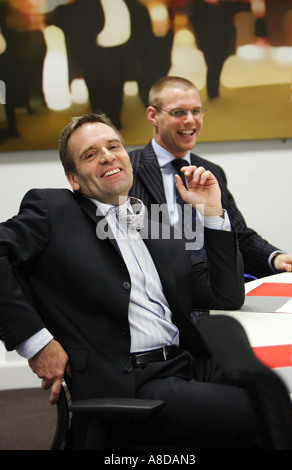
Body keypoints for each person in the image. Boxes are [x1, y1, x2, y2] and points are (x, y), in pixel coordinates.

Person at [0, 112, 259, 450]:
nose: (107, 156)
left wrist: (212, 211)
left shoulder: (155, 223)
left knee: (282, 391)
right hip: (132, 382)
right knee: (263, 416)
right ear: (73, 178)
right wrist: (36, 343)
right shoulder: (54, 209)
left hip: (188, 364)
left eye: (114, 146)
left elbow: (225, 296)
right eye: (90, 154)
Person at [129, 76, 292, 278]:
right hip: (156, 290)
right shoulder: (129, 168)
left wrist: (275, 257)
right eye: (178, 112)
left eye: (196, 111)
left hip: (212, 291)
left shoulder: (211, 172)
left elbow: (237, 236)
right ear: (153, 115)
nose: (190, 120)